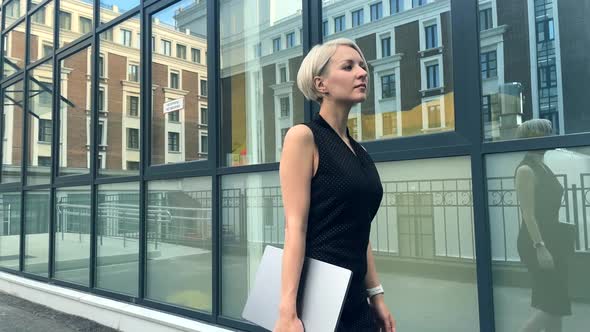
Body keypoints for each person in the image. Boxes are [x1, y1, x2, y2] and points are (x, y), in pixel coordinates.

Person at [274, 38, 396, 332]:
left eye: (362, 66)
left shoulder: (360, 152)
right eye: (348, 66)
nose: (362, 72)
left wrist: (376, 295)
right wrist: (287, 311)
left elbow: (359, 229)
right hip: (317, 299)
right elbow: (295, 227)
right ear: (321, 84)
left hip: (355, 297)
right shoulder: (303, 137)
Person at [515, 119, 575, 332]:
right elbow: (528, 214)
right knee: (552, 305)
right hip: (537, 241)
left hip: (551, 239)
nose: (550, 136)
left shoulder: (541, 165)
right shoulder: (526, 170)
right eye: (545, 133)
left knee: (554, 303)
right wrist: (540, 247)